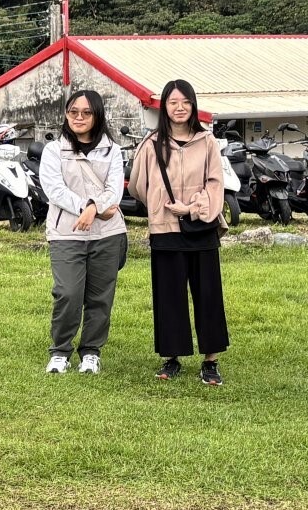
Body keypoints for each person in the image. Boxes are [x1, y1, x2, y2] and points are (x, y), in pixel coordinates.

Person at [127, 79, 229, 385]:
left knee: (208, 294)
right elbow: (137, 185)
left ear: (193, 105)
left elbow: (215, 183)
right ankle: (171, 357)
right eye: (173, 102)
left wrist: (193, 208)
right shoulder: (151, 144)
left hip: (200, 227)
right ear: (164, 107)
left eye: (185, 102)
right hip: (165, 229)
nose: (179, 108)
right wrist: (161, 204)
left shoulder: (207, 141)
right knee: (169, 295)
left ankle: (210, 361)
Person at [39, 90, 128, 374]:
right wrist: (87, 207)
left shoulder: (112, 150)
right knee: (68, 292)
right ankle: (60, 350)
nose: (78, 117)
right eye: (73, 111)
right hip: (66, 233)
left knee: (100, 296)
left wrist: (96, 207)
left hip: (107, 233)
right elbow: (54, 189)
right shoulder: (55, 150)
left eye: (86, 112)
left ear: (97, 115)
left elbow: (115, 189)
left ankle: (91, 350)